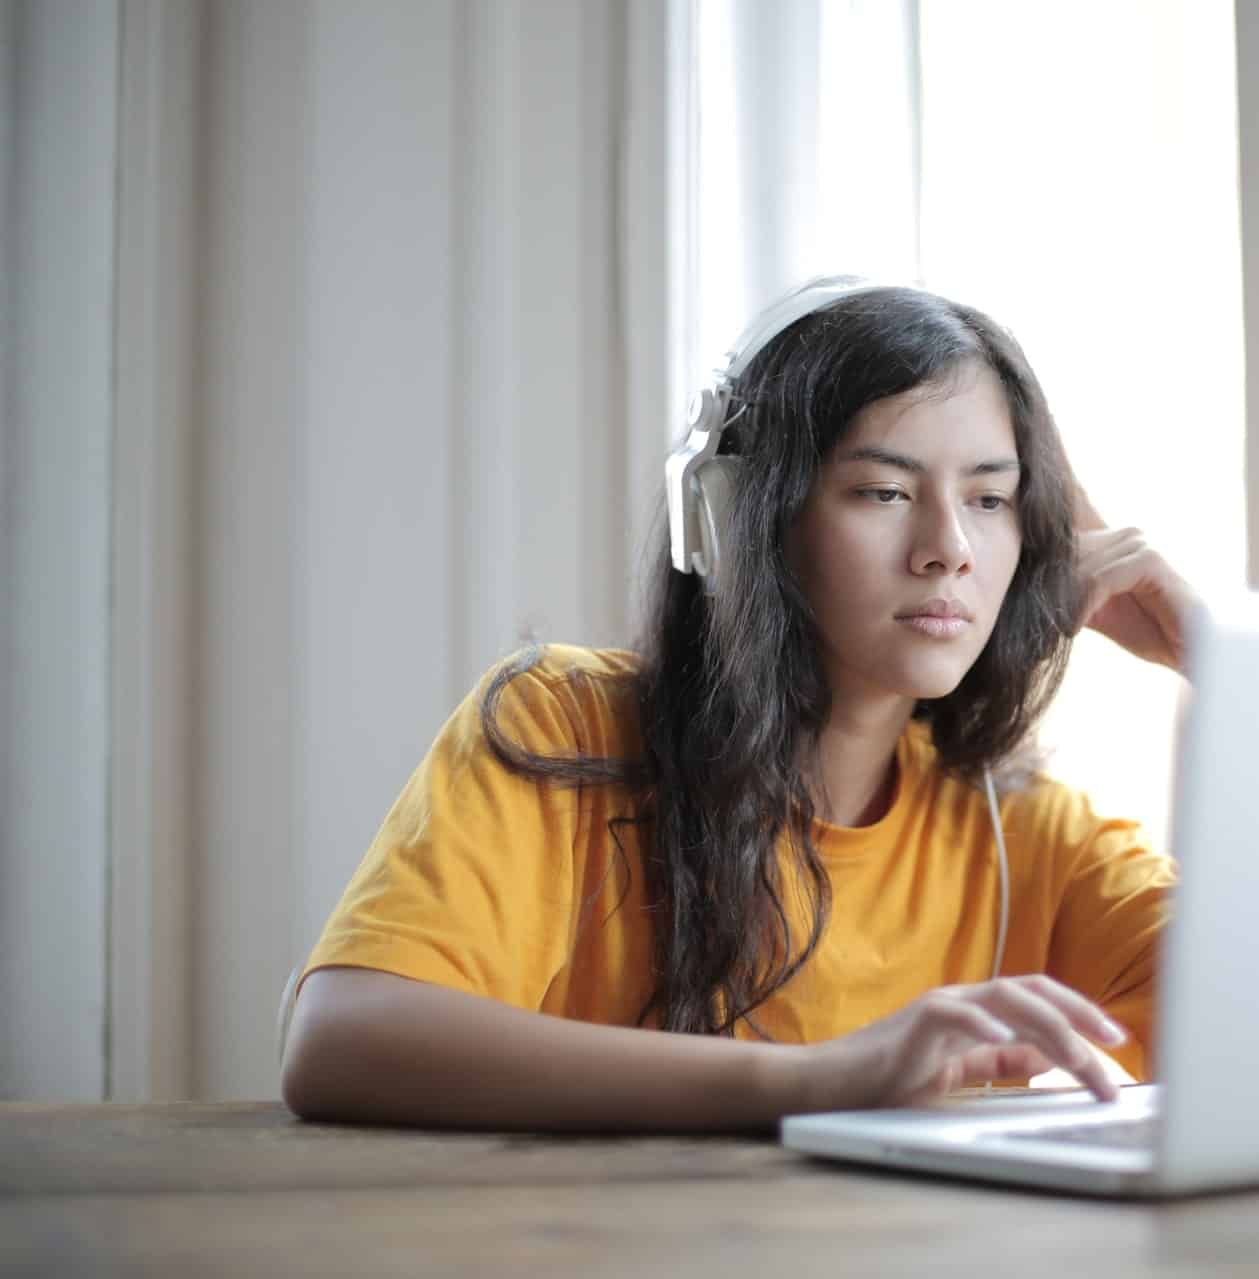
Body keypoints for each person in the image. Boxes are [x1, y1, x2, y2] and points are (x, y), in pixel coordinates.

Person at [279, 280, 1196, 1132]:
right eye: (884, 491)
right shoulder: (563, 725)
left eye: (991, 499)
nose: (949, 547)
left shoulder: (1029, 830)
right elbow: (344, 1038)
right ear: (734, 517)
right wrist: (823, 1081)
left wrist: (1214, 656)